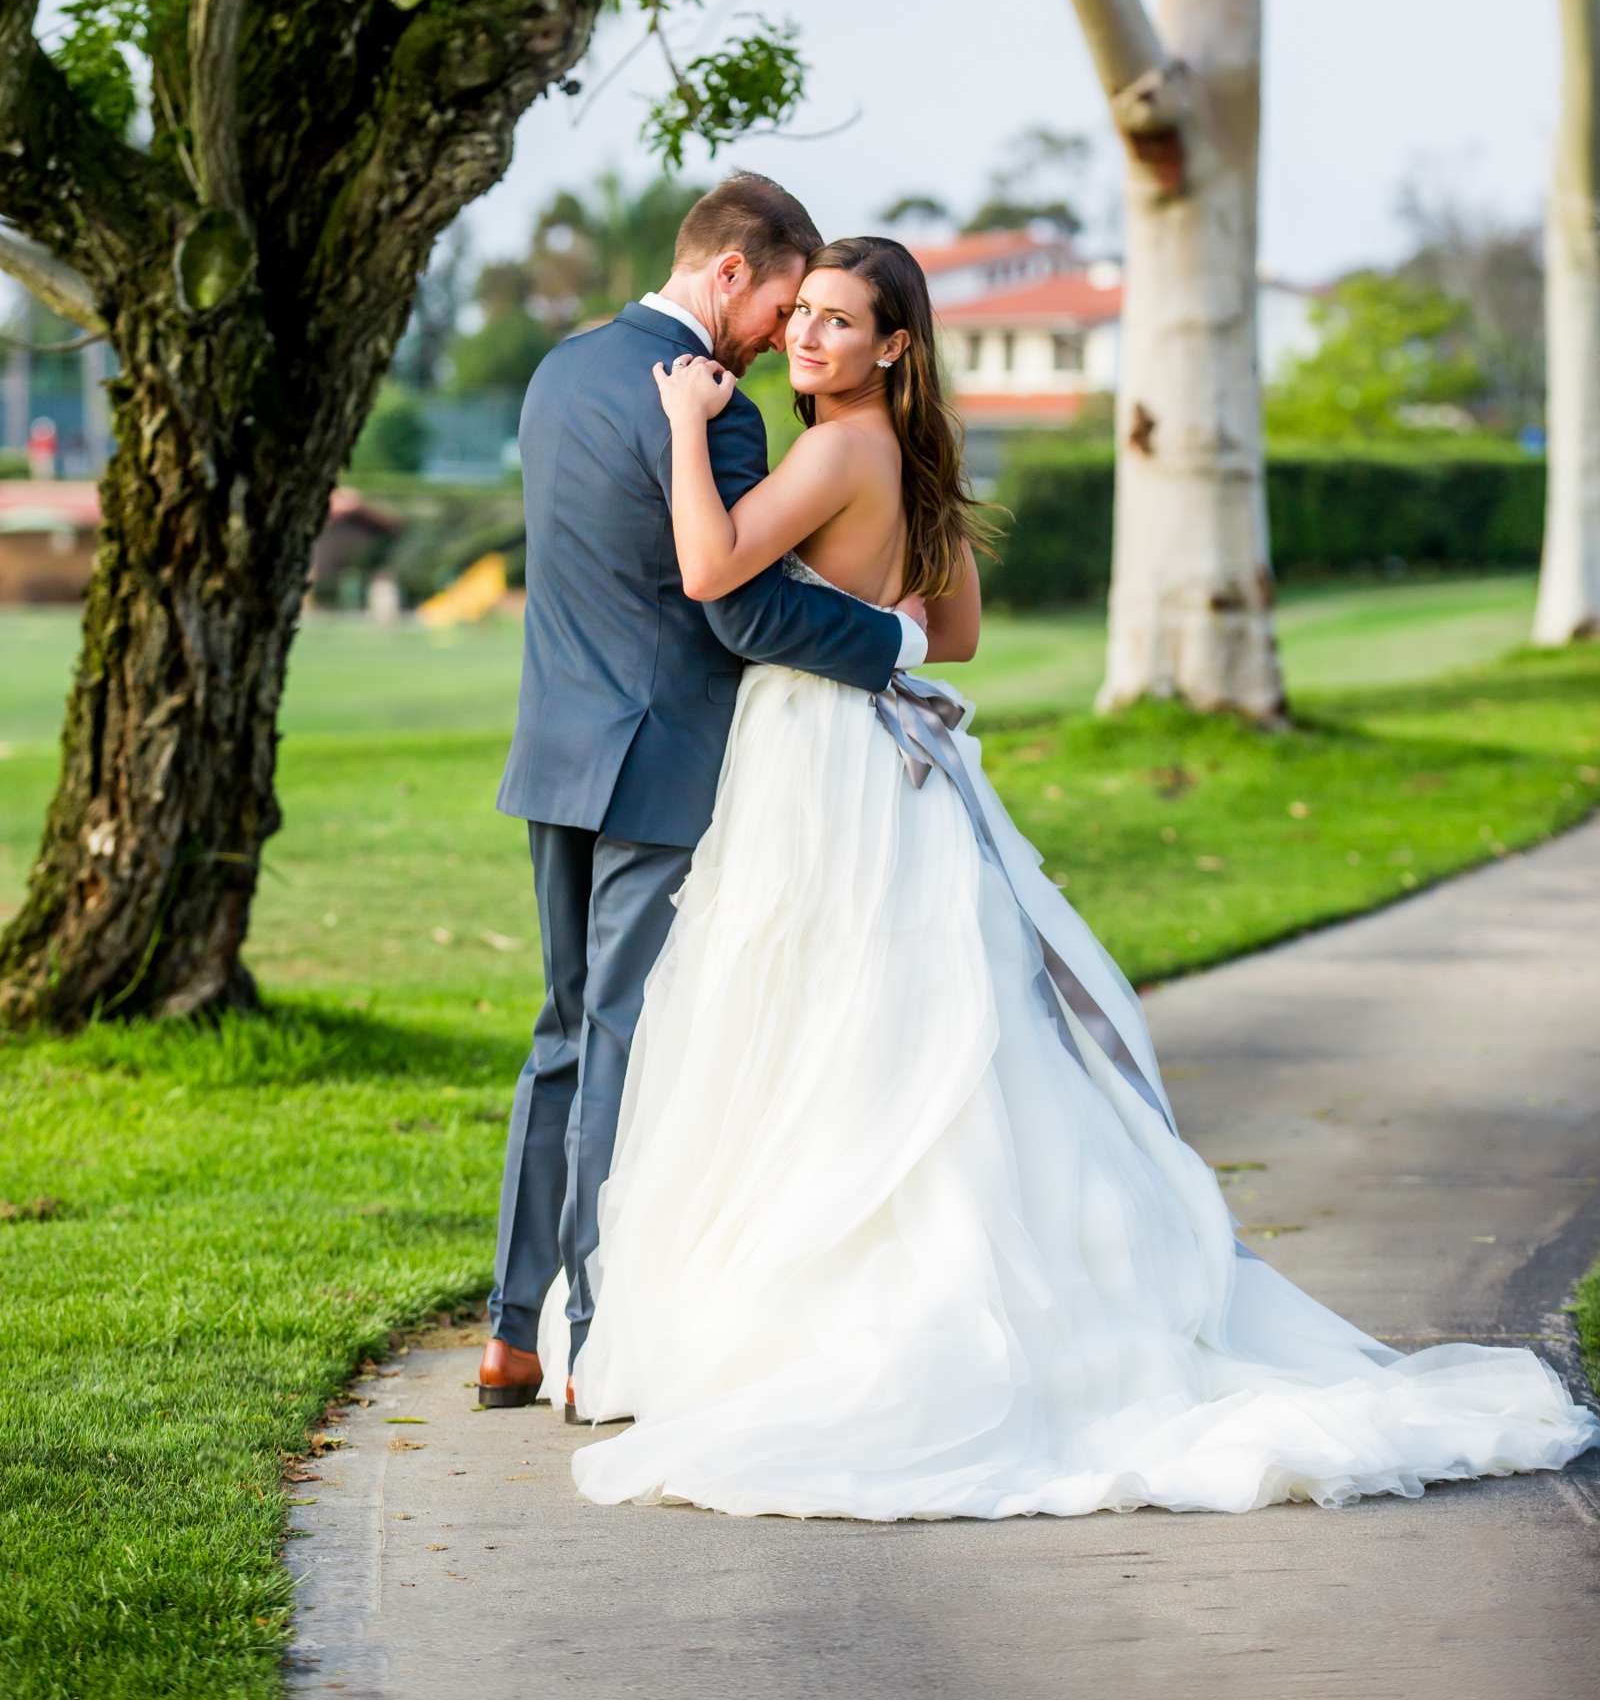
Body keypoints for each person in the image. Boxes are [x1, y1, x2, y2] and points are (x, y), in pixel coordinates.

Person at [536, 233, 1599, 1519]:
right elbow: (963, 633)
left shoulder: (824, 448)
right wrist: (886, 611)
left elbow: (709, 574)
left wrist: (692, 426)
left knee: (804, 1020)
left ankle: (814, 1320)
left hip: (814, 761)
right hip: (880, 765)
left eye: (837, 321)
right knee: (885, 1023)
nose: (806, 339)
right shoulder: (908, 459)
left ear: (892, 348)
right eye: (801, 313)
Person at [478, 179, 930, 1416]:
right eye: (785, 302)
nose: (780, 336)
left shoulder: (560, 373)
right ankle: (595, 1342)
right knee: (625, 1039)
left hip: (555, 749)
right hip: (659, 759)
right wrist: (890, 645)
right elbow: (736, 601)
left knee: (561, 1035)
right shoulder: (713, 406)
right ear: (731, 273)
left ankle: (511, 1333)